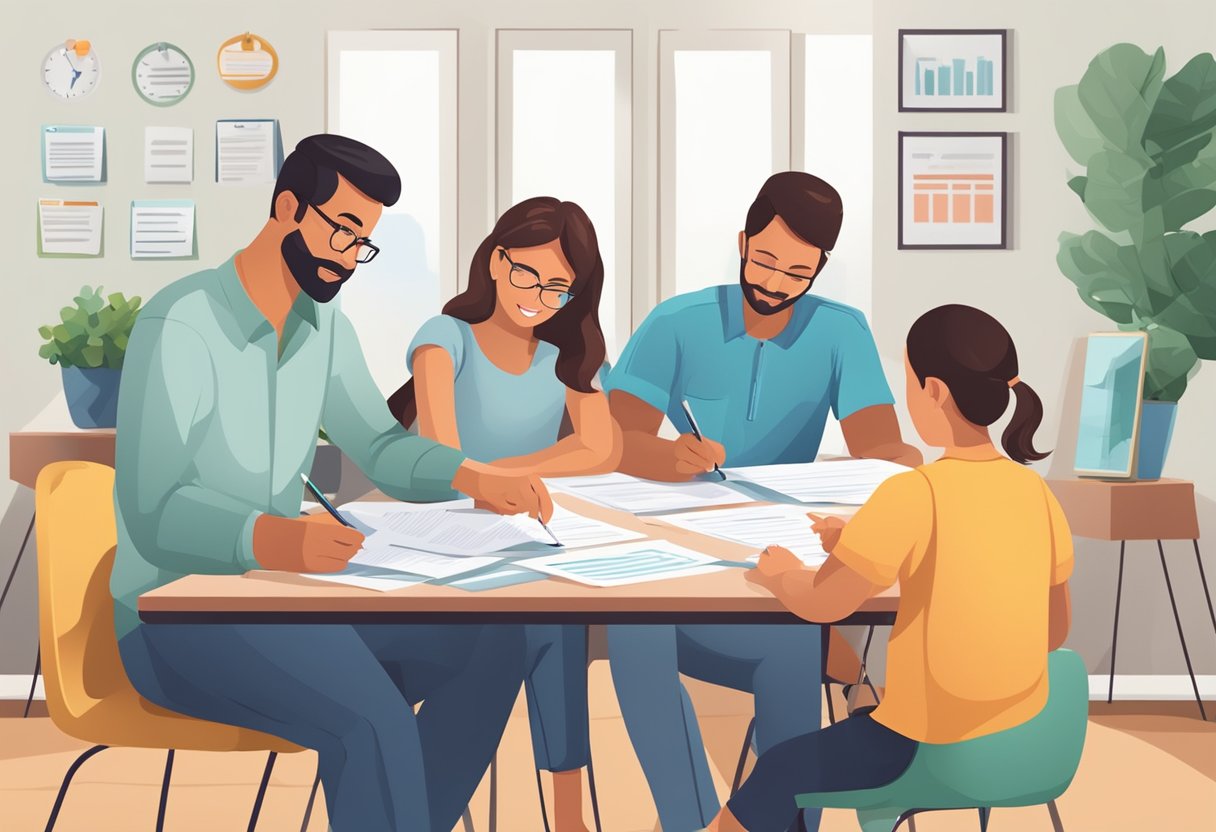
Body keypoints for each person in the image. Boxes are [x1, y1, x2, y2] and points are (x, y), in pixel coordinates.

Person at [112, 134, 553, 832]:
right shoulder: (182, 322)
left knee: (492, 646)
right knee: (373, 724)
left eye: (363, 243)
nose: (347, 257)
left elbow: (378, 447)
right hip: (174, 614)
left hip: (285, 599)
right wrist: (275, 539)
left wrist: (470, 475)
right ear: (288, 206)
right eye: (342, 230)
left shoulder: (322, 324)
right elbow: (153, 510)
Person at [602, 171, 922, 832]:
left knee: (796, 650)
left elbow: (880, 449)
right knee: (636, 631)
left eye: (798, 272)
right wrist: (668, 456)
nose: (775, 283)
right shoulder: (676, 322)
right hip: (683, 565)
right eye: (765, 259)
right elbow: (609, 441)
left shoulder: (841, 331)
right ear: (743, 241)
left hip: (778, 571)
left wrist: (899, 465)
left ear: (821, 269)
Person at [706, 304, 1074, 831]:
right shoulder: (1035, 492)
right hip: (1026, 738)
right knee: (859, 723)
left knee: (778, 770)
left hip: (929, 748)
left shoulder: (913, 492)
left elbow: (822, 603)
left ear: (935, 391)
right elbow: (1053, 630)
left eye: (907, 380)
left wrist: (777, 573)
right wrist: (858, 543)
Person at [388, 196, 617, 832]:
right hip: (437, 542)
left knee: (556, 619)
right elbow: (443, 455)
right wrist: (500, 478)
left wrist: (505, 478)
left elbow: (602, 446)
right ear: (494, 261)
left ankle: (565, 815)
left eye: (557, 288)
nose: (537, 298)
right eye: (525, 274)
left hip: (521, 538)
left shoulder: (566, 358)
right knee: (533, 625)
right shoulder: (445, 338)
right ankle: (441, 805)